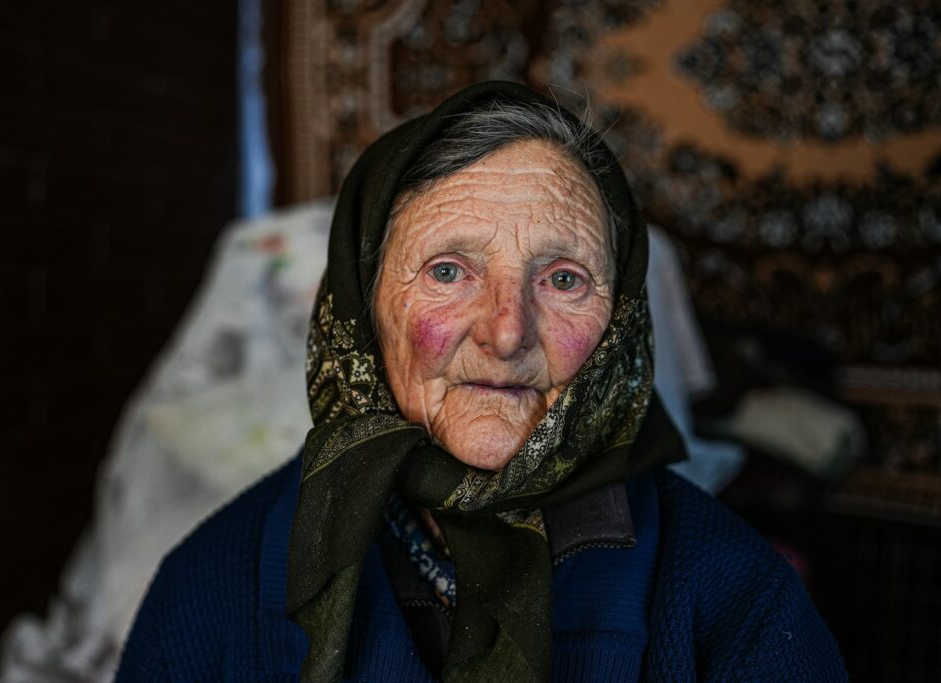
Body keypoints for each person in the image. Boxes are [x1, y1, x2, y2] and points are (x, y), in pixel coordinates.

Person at [115, 81, 847, 682]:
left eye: (563, 279)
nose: (506, 331)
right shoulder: (215, 587)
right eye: (447, 271)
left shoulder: (736, 600)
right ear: (365, 308)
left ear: (618, 322)